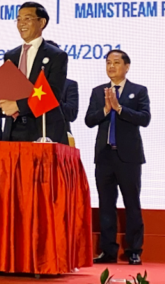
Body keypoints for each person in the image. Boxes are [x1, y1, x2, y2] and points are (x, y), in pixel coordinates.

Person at [85, 50, 150, 266]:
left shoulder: (138, 91)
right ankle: (108, 251)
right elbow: (88, 120)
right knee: (106, 205)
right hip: (104, 156)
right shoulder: (98, 92)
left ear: (127, 66)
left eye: (116, 62)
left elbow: (145, 118)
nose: (111, 66)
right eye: (108, 62)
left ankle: (133, 250)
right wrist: (105, 109)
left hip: (128, 157)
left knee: (132, 203)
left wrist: (119, 109)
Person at [0, 2, 68, 144]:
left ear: (42, 22)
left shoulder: (56, 56)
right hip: (13, 130)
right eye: (19, 19)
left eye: (27, 18)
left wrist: (18, 106)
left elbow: (52, 94)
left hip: (42, 129)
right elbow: (11, 94)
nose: (22, 23)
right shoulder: (11, 56)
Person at [46, 41, 79, 131]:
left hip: (59, 135)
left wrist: (52, 94)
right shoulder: (29, 85)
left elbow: (71, 115)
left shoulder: (69, 85)